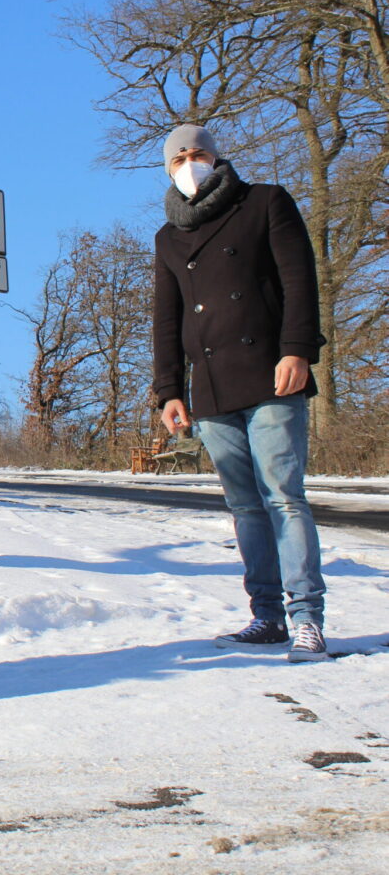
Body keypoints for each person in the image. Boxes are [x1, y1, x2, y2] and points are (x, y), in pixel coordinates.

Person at [151, 124, 328, 663]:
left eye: (198, 152)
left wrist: (297, 349)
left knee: (283, 495)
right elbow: (166, 319)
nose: (189, 162)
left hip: (271, 374)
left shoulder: (265, 203)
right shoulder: (167, 237)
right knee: (245, 506)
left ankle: (307, 619)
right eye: (178, 157)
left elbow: (299, 281)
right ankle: (266, 617)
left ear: (217, 156)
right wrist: (167, 392)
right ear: (168, 169)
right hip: (208, 387)